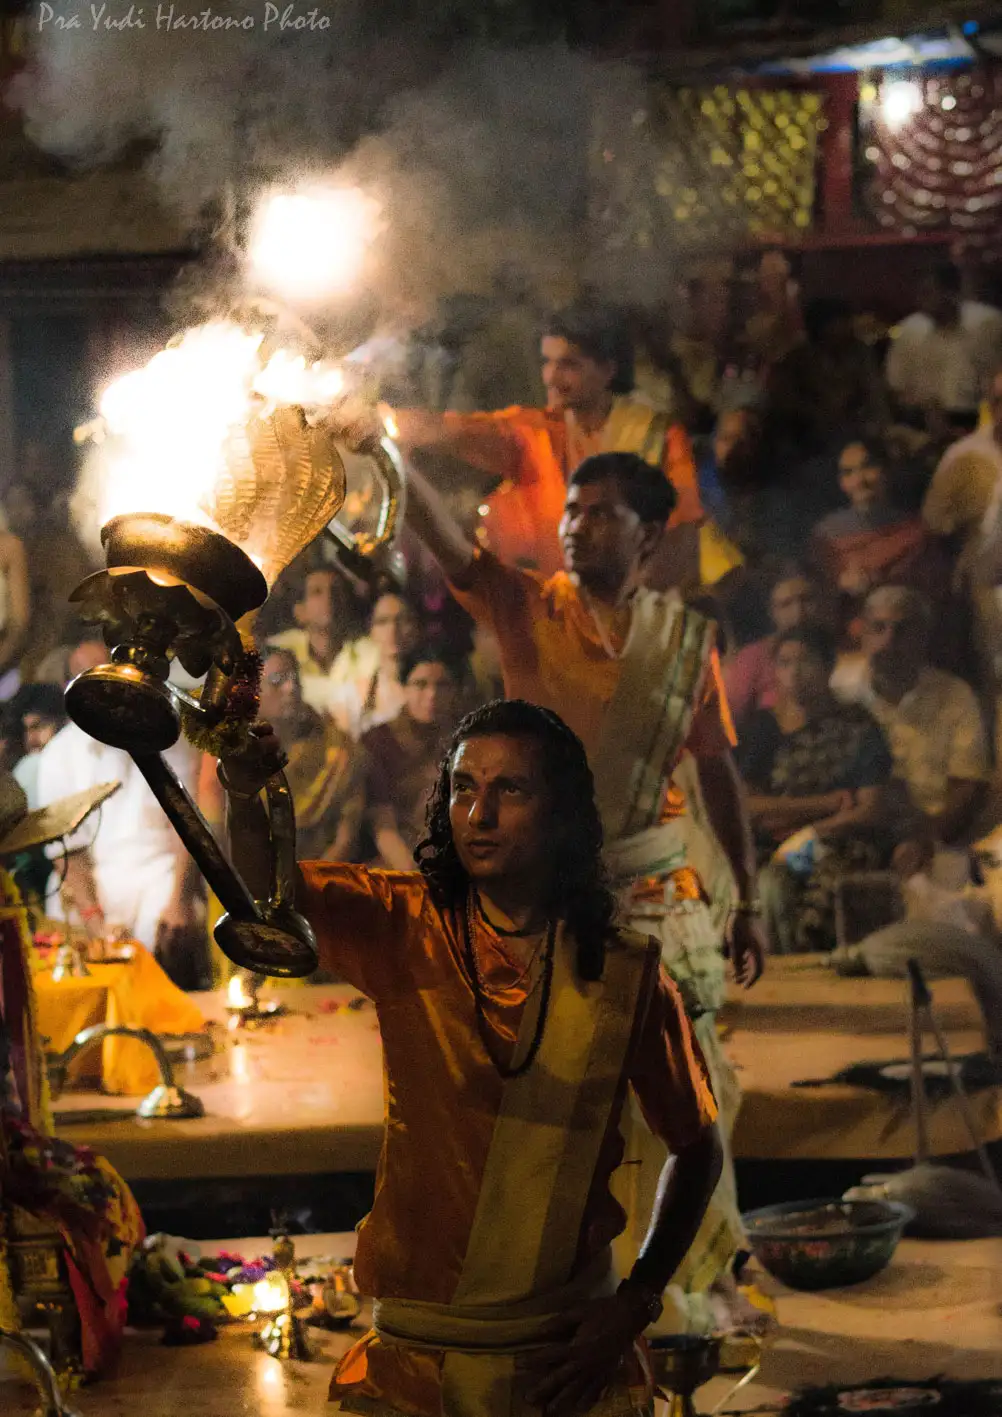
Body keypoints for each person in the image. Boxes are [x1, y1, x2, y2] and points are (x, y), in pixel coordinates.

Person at [221, 698, 723, 1417]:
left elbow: (699, 1147)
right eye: (463, 787)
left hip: (564, 1369)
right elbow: (262, 895)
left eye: (510, 789)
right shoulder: (401, 925)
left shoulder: (625, 975)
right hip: (416, 1370)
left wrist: (636, 1301)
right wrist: (246, 792)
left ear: (561, 813)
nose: (479, 813)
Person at [397, 445, 764, 1331]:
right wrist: (388, 451)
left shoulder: (683, 641)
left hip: (658, 900)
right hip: (546, 896)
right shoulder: (528, 604)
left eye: (600, 511)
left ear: (650, 535)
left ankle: (673, 1279)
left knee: (683, 1093)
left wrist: (747, 897)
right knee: (554, 1093)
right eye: (570, 509)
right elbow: (445, 538)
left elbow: (717, 774)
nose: (575, 524)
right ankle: (555, 1277)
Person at [390, 303, 704, 581]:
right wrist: (383, 421)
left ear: (608, 370)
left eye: (568, 365)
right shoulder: (534, 432)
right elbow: (455, 431)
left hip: (639, 620)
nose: (551, 377)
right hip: (559, 617)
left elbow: (682, 542)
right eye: (547, 362)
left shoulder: (658, 436)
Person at [738, 626, 893, 955]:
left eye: (806, 662)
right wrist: (827, 803)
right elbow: (748, 806)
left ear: (828, 667)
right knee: (769, 885)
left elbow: (870, 809)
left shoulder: (858, 726)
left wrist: (810, 831)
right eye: (784, 663)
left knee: (816, 897)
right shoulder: (762, 728)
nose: (794, 673)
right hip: (774, 846)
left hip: (839, 843)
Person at [833, 586, 991, 881]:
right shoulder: (840, 689)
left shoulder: (954, 696)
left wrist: (925, 838)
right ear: (863, 634)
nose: (889, 641)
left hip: (934, 833)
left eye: (902, 630)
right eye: (878, 628)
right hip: (854, 830)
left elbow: (968, 785)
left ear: (923, 638)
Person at [33, 720, 206, 988]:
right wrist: (95, 921)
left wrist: (178, 900)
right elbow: (68, 852)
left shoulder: (172, 738)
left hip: (161, 875)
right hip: (89, 887)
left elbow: (186, 827)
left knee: (171, 937)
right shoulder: (59, 753)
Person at [811, 434, 943, 640]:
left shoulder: (915, 534)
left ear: (887, 471)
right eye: (849, 472)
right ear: (841, 482)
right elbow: (818, 605)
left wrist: (878, 587)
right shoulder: (825, 537)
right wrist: (842, 588)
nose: (859, 480)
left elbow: (933, 600)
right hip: (847, 646)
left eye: (868, 467)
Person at [258, 646, 367, 862]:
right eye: (277, 680)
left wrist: (309, 885)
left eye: (295, 679)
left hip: (323, 877)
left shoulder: (338, 749)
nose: (291, 688)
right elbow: (221, 836)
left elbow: (345, 841)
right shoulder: (231, 750)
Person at [363, 645, 462, 869]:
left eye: (442, 685)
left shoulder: (465, 741)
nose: (432, 695)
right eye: (420, 684)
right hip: (399, 863)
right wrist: (416, 880)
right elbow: (383, 827)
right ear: (404, 688)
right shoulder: (379, 741)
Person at [887, 262, 1002, 433]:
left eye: (927, 292)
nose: (920, 300)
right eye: (919, 293)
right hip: (928, 422)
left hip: (982, 418)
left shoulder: (988, 323)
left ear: (950, 292)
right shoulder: (910, 331)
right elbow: (897, 384)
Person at [268, 562, 371, 719]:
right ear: (300, 612)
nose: (329, 598)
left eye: (336, 591)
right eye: (317, 592)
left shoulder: (367, 652)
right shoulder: (278, 651)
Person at [723, 569, 823, 729]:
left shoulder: (833, 647)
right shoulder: (753, 658)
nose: (798, 612)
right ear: (772, 612)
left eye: (805, 600)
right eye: (786, 604)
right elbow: (732, 718)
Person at [329, 590, 422, 739]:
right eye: (382, 621)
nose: (393, 629)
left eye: (402, 620)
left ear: (416, 627)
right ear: (371, 631)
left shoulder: (435, 691)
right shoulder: (350, 697)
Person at [9, 682, 68, 808]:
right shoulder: (29, 766)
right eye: (26, 730)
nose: (31, 738)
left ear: (62, 722)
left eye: (39, 726)